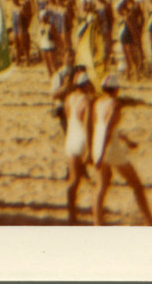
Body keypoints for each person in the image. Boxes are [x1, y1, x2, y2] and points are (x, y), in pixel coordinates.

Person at [91, 75, 152, 225]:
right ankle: (150, 221)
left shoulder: (98, 103)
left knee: (101, 187)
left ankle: (97, 222)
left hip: (98, 144)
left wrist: (126, 140)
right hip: (110, 148)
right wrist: (102, 153)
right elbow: (108, 129)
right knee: (136, 185)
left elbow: (104, 128)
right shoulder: (115, 105)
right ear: (116, 89)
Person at [63, 69, 93, 224]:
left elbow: (69, 118)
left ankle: (71, 213)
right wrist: (89, 149)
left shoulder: (69, 99)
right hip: (81, 140)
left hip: (70, 139)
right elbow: (87, 127)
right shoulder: (86, 102)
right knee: (88, 179)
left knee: (74, 179)